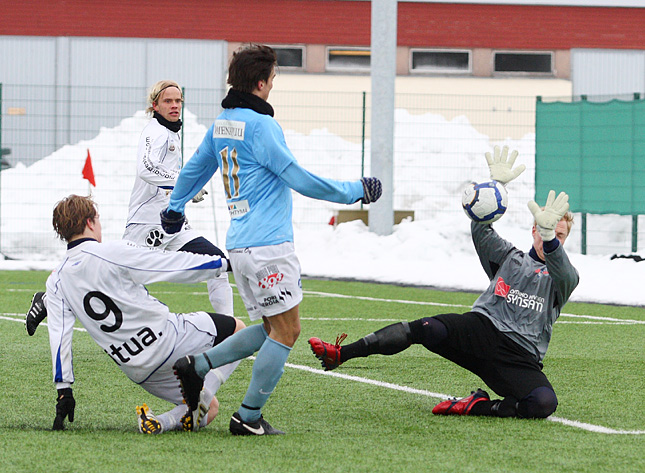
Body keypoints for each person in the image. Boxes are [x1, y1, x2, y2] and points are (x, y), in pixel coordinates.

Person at [160, 43, 383, 435]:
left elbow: (195, 168)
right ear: (261, 83)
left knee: (270, 328)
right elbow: (298, 177)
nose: (273, 86)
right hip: (268, 247)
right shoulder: (262, 126)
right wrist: (356, 191)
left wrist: (175, 208)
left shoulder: (223, 123)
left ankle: (198, 366)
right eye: (274, 79)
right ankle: (247, 417)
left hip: (241, 247)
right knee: (287, 331)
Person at [309, 146, 579, 420]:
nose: (551, 239)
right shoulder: (509, 258)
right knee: (426, 328)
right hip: (481, 331)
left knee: (543, 403)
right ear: (533, 228)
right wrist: (496, 188)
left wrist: (550, 239)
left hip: (519, 356)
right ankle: (341, 354)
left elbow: (565, 271)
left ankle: (478, 406)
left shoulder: (563, 278)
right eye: (545, 230)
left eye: (559, 235)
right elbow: (481, 229)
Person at [25, 80, 234, 336]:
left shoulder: (171, 133)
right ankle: (47, 300)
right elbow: (146, 169)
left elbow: (165, 178)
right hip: (147, 224)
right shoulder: (154, 131)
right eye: (168, 101)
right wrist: (183, 183)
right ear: (155, 105)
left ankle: (229, 331)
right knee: (112, 279)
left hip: (175, 225)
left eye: (178, 101)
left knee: (217, 265)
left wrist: (186, 190)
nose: (175, 105)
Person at [44, 194, 245, 433]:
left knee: (208, 409)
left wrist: (64, 390)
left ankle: (161, 422)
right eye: (97, 220)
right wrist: (223, 264)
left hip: (138, 368)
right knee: (239, 331)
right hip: (169, 340)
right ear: (89, 223)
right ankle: (196, 379)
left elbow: (59, 337)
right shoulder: (111, 251)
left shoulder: (56, 280)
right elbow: (167, 264)